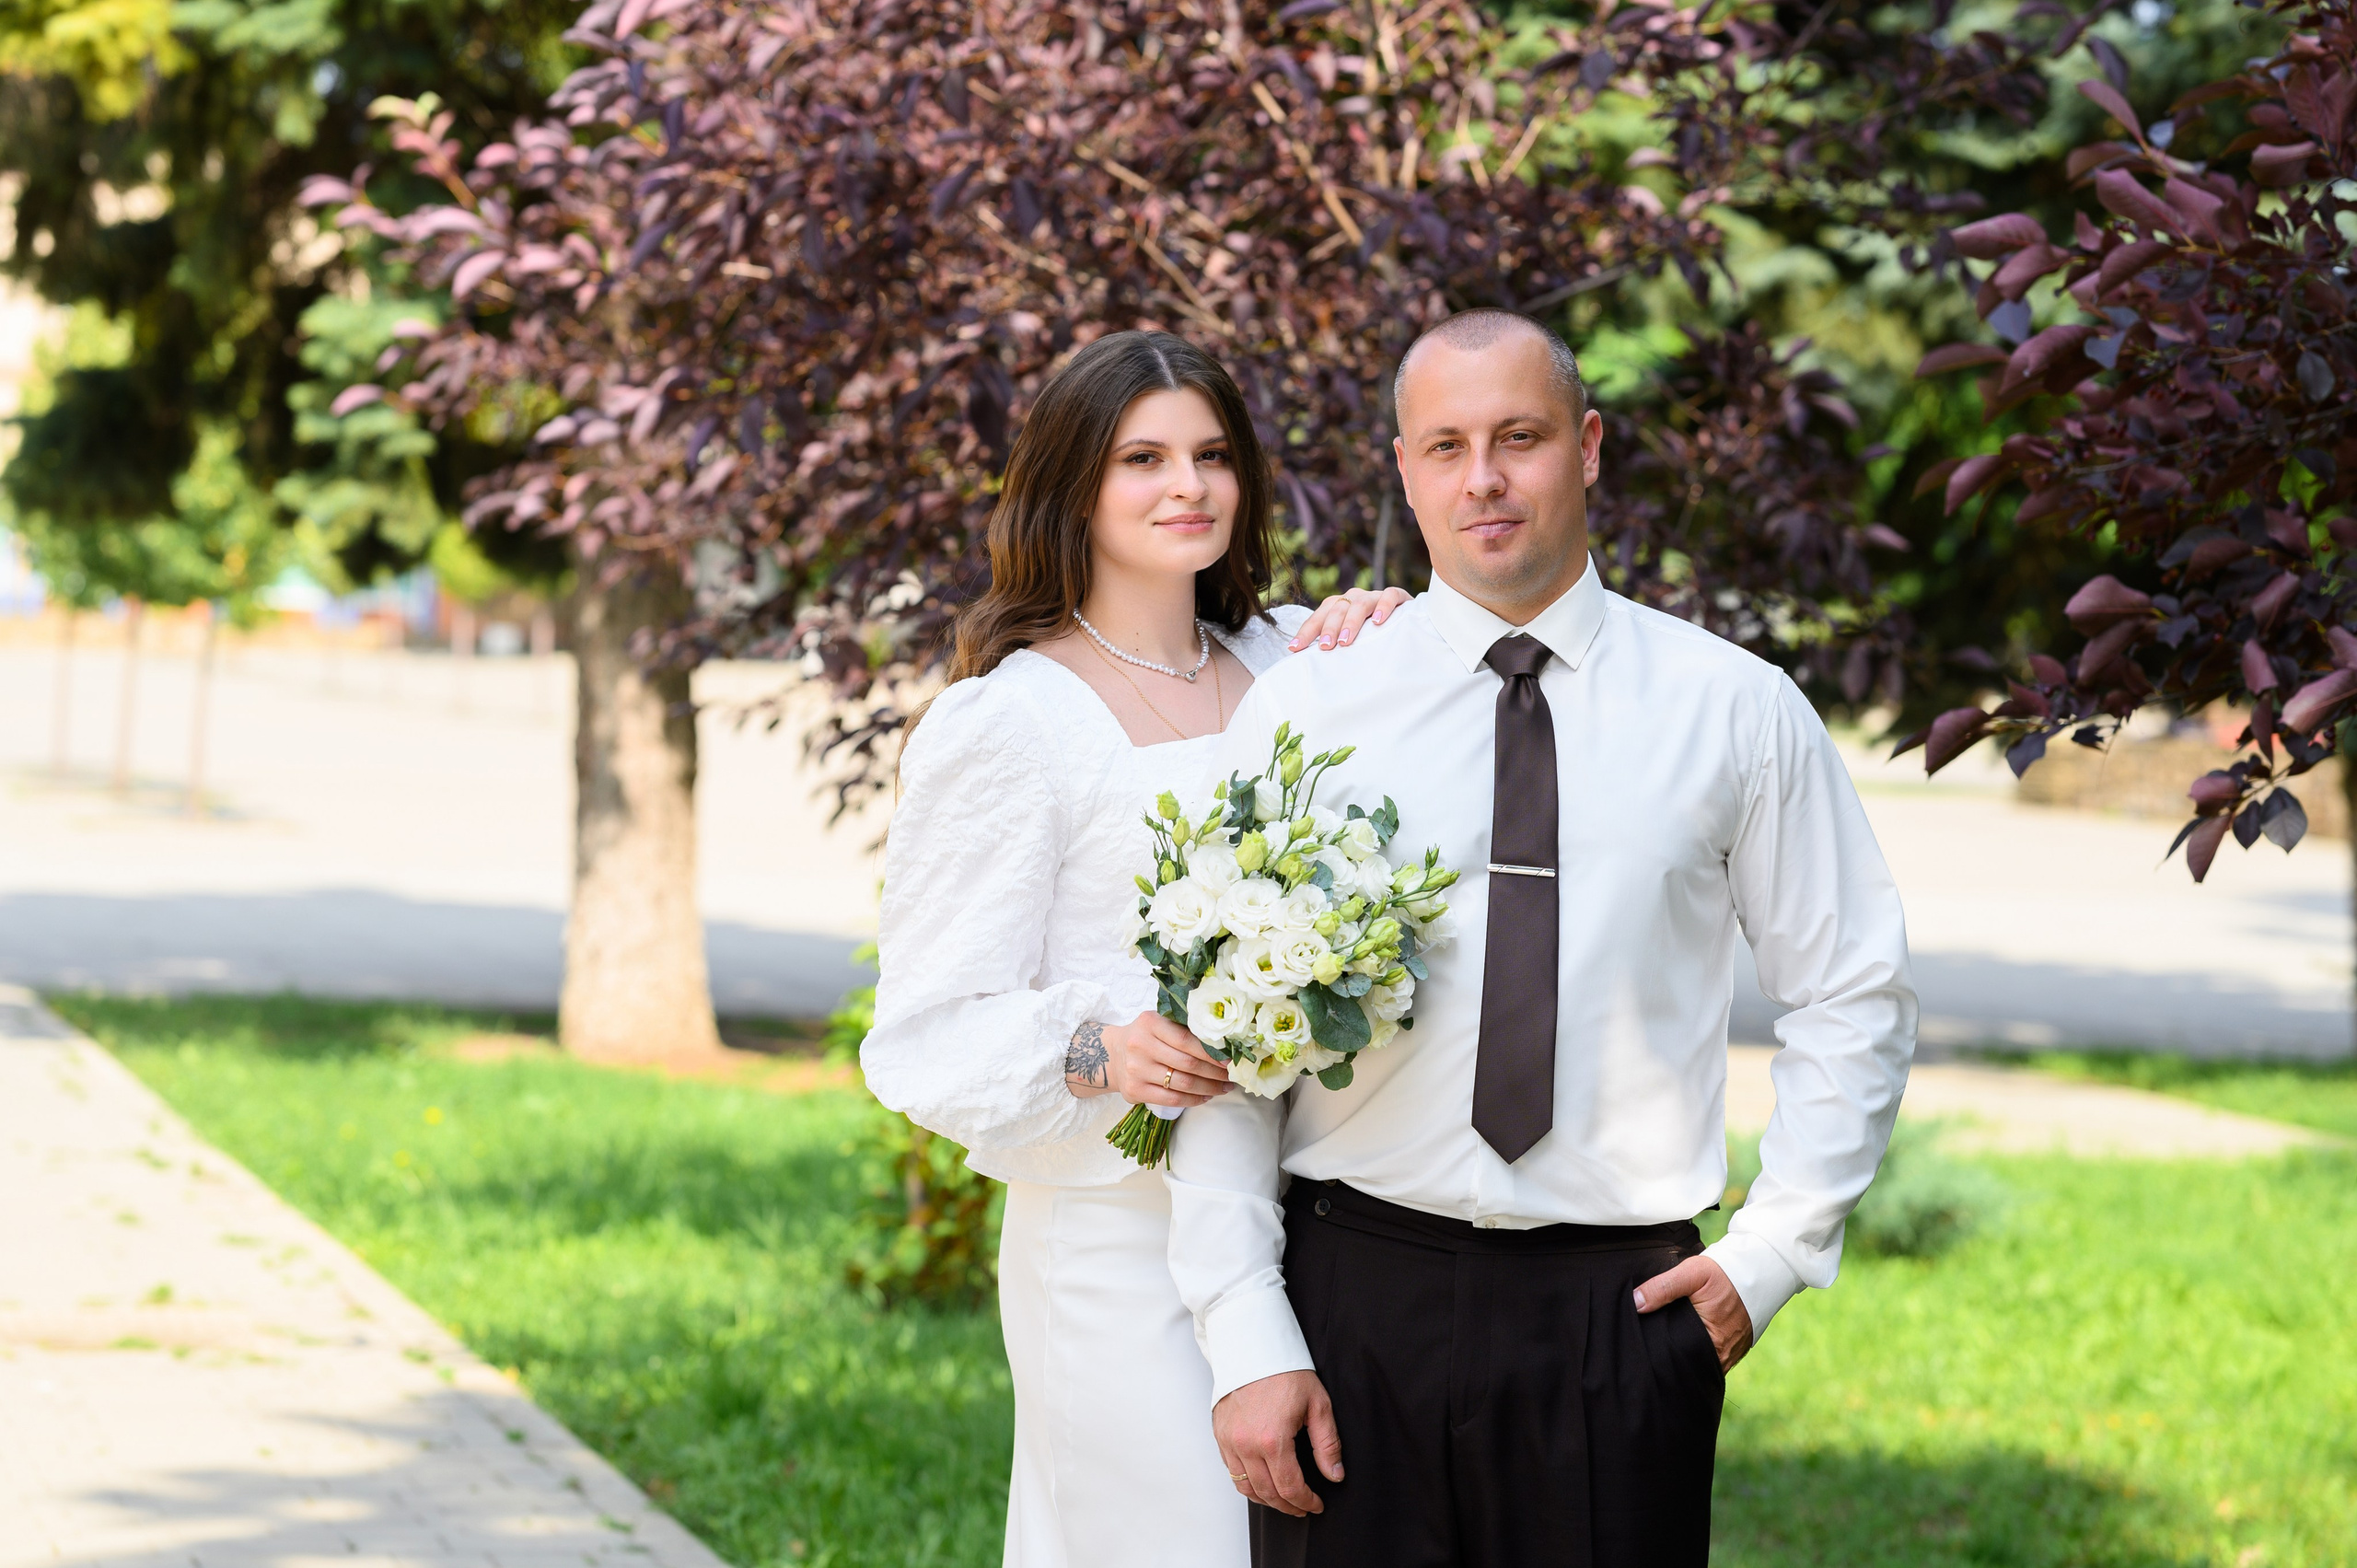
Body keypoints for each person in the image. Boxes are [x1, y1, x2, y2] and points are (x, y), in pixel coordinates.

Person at [1166, 309, 1917, 1567]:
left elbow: (1855, 990)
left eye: (1519, 437)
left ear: (1589, 446)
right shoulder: (1312, 710)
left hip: (1621, 1318)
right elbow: (1231, 1033)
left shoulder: (1735, 709)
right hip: (1352, 1302)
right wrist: (1245, 1332)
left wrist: (1775, 1253)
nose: (1484, 479)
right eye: (1446, 446)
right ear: (1405, 470)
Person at [861, 328, 1409, 1568]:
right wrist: (1102, 1051)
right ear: (1073, 486)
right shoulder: (1010, 719)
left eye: (1213, 455)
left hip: (1313, 1212)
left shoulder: (1297, 664)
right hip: (1116, 1235)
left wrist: (1394, 636)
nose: (1189, 486)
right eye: (1143, 460)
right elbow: (922, 1031)